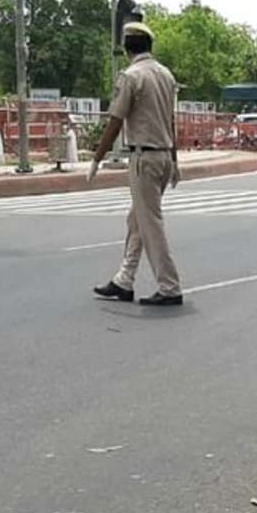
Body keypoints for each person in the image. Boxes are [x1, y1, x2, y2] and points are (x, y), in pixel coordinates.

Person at [88, 22, 183, 307]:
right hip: (163, 156)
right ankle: (124, 280)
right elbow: (171, 121)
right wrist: (174, 159)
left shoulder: (131, 76)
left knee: (150, 224)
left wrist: (97, 157)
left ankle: (169, 286)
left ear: (127, 47)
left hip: (144, 158)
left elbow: (116, 120)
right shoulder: (166, 75)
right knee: (137, 220)